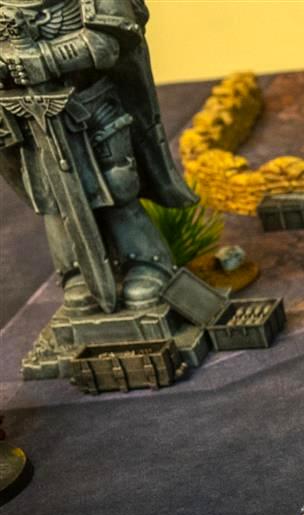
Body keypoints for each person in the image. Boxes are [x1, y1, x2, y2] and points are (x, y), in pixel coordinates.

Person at [0, 0, 193, 314]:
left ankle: (147, 262)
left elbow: (107, 43)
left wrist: (46, 59)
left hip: (93, 106)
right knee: (51, 195)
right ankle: (75, 272)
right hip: (30, 119)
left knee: (118, 184)